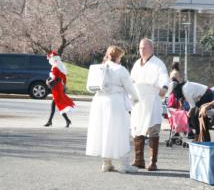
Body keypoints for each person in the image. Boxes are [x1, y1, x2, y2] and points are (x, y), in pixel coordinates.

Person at [86, 45, 139, 173]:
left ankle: (106, 163)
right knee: (119, 131)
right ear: (119, 56)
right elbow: (130, 88)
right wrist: (136, 99)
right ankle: (124, 164)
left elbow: (89, 87)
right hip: (115, 102)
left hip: (99, 101)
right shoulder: (121, 70)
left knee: (104, 131)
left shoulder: (98, 68)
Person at [130, 38, 169, 171]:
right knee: (137, 128)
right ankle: (139, 159)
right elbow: (131, 79)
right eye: (140, 48)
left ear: (151, 48)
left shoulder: (158, 64)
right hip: (138, 101)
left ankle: (153, 162)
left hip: (152, 99)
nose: (142, 50)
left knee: (153, 130)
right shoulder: (136, 63)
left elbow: (164, 77)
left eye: (145, 47)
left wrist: (164, 87)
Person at [171, 77, 213, 142]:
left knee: (196, 116)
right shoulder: (184, 87)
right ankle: (199, 137)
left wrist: (187, 115)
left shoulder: (185, 91)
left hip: (207, 94)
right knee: (196, 116)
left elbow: (192, 107)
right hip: (204, 95)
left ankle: (200, 138)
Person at [44, 51, 75, 127]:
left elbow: (54, 78)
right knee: (56, 104)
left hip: (56, 89)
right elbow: (63, 79)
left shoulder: (55, 67)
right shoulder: (60, 66)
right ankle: (64, 121)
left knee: (57, 105)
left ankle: (51, 121)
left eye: (50, 59)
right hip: (59, 87)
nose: (49, 60)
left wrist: (48, 82)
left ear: (52, 59)